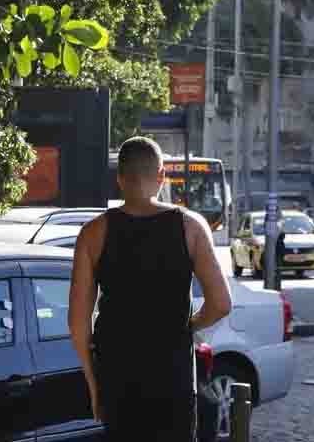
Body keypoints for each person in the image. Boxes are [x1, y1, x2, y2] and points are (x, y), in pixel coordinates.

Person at [70, 137, 232, 441]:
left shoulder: (93, 233)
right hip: (173, 379)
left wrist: (93, 382)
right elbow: (221, 303)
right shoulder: (191, 226)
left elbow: (78, 322)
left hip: (118, 379)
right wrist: (190, 324)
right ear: (161, 177)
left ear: (119, 179)